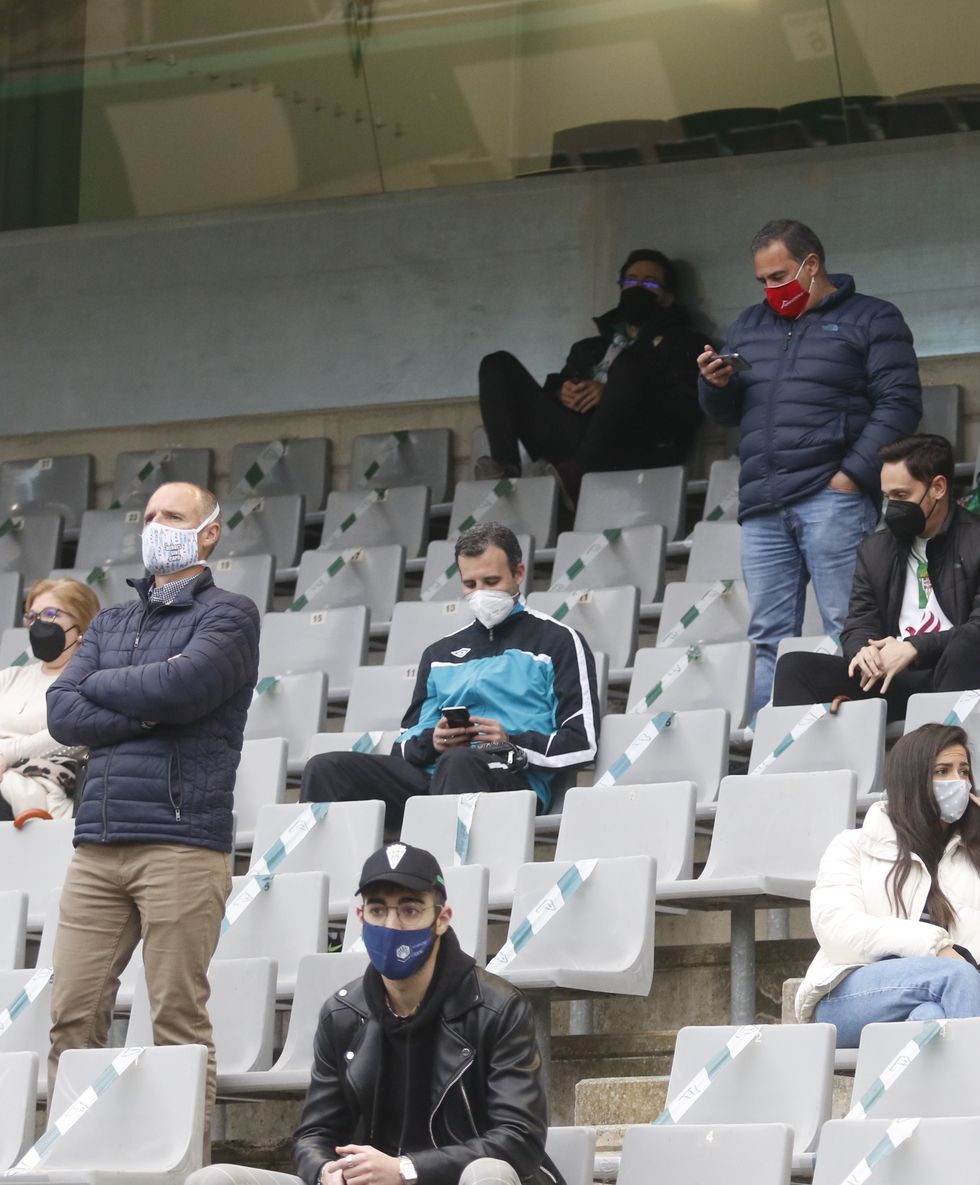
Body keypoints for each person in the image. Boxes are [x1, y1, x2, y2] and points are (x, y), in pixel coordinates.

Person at [45, 481, 261, 1127]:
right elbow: (62, 710)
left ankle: (178, 1162)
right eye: (149, 516)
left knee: (176, 1016)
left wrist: (108, 687)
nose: (157, 525)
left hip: (180, 841)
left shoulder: (231, 613)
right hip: (98, 845)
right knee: (72, 1013)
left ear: (209, 532)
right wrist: (143, 712)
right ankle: (72, 1155)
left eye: (173, 515)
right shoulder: (110, 620)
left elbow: (182, 689)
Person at [188, 842, 565, 1185]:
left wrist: (406, 1169)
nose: (392, 925)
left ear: (442, 918)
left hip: (456, 1180)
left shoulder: (497, 1008)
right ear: (360, 916)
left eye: (410, 909)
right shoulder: (342, 1013)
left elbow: (519, 1139)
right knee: (214, 1180)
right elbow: (315, 1133)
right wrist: (324, 1170)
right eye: (378, 909)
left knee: (488, 1175)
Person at [698, 219, 922, 714]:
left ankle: (863, 740)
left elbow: (900, 406)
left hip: (831, 496)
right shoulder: (748, 326)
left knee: (852, 628)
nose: (769, 290)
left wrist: (850, 478)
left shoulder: (873, 318)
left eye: (778, 276)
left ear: (812, 264)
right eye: (762, 281)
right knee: (767, 638)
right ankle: (767, 747)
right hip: (763, 503)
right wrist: (715, 386)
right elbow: (729, 414)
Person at [794, 723, 980, 1048]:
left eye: (964, 771)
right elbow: (837, 930)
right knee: (954, 975)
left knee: (928, 1019)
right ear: (912, 780)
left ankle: (952, 1096)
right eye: (942, 771)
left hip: (949, 1000)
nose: (956, 781)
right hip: (850, 998)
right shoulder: (853, 846)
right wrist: (936, 947)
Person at [301, 523, 599, 829]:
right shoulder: (439, 653)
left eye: (492, 580)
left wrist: (511, 743)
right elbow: (403, 746)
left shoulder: (560, 641)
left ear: (519, 573)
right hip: (434, 778)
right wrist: (434, 741)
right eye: (470, 584)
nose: (481, 592)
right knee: (327, 768)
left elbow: (582, 742)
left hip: (512, 780)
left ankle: (442, 872)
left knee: (459, 762)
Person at [771, 434, 980, 721]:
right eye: (887, 497)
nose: (892, 507)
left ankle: (936, 759)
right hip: (892, 678)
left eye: (902, 496)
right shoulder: (875, 548)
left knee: (964, 648)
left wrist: (914, 648)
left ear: (938, 488)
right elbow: (857, 626)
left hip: (956, 673)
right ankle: (806, 765)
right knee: (794, 667)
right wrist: (863, 651)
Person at [476, 248, 704, 493]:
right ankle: (505, 471)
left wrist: (613, 395)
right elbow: (555, 386)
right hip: (572, 434)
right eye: (631, 280)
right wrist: (561, 391)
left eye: (649, 282)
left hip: (628, 443)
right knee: (496, 363)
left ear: (668, 298)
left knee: (628, 365)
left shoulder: (686, 345)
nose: (637, 288)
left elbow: (681, 410)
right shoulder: (589, 348)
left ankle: (577, 472)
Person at [0, 577, 101, 821]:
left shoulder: (93, 680)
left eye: (50, 614)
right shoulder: (10, 677)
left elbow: (68, 734)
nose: (38, 624)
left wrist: (5, 755)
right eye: (32, 617)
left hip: (44, 785)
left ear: (82, 625)